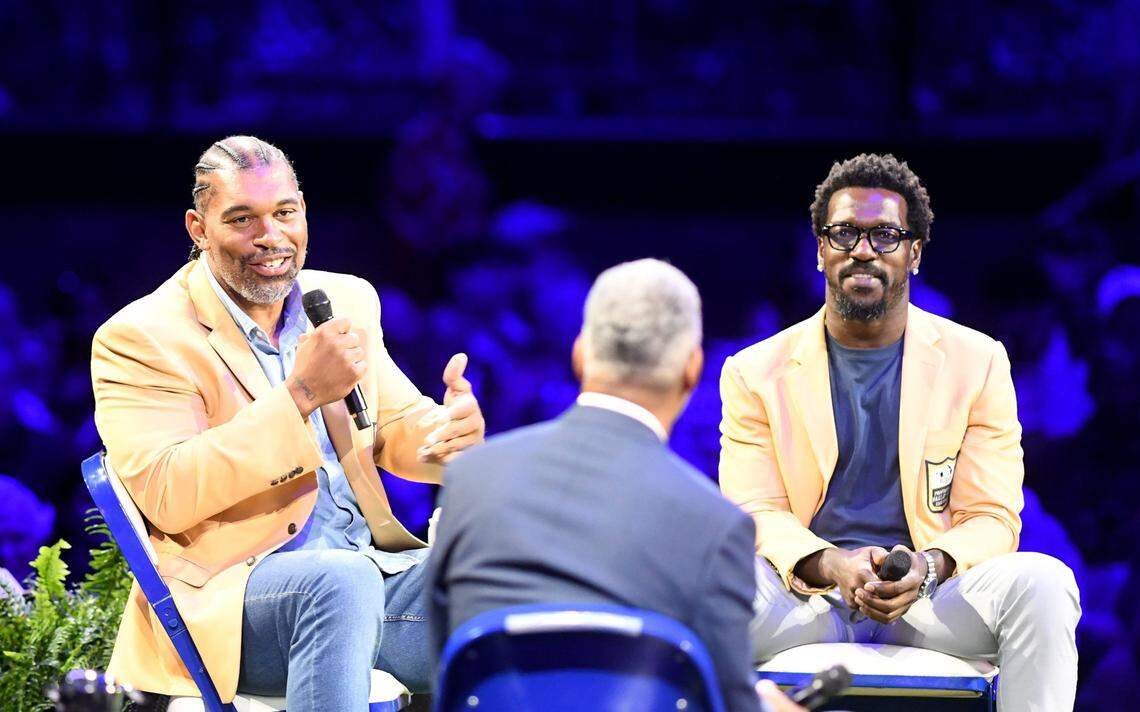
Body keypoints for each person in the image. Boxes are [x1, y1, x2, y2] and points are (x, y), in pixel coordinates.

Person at [91, 136, 485, 710]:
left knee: (496, 571)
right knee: (340, 582)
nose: (271, 236)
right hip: (235, 601)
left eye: (285, 213)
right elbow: (168, 491)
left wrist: (449, 440)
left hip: (374, 575)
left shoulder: (345, 299)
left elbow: (394, 426)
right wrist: (300, 393)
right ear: (198, 230)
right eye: (242, 219)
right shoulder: (142, 337)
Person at [718, 153, 1081, 711]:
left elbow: (991, 517)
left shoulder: (978, 361)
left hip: (931, 598)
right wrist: (830, 564)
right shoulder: (753, 371)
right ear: (820, 251)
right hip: (805, 596)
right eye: (843, 234)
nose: (862, 250)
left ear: (914, 253)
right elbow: (754, 513)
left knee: (1045, 583)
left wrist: (926, 566)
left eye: (885, 235)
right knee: (706, 583)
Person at [426, 258, 797, 712]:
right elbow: (728, 701)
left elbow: (448, 665)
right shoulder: (717, 524)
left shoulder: (470, 479)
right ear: (692, 370)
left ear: (580, 353)